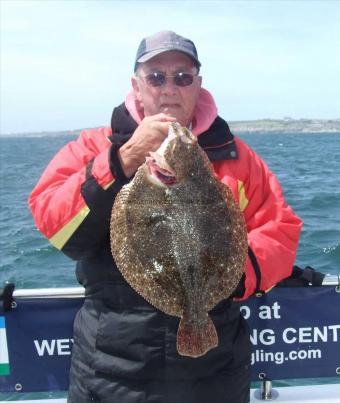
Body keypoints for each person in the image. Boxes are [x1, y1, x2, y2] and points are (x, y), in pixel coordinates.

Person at [29, 31, 302, 403]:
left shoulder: (237, 157)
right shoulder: (95, 147)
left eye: (182, 77)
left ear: (198, 85)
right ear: (136, 86)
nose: (169, 88)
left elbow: (281, 231)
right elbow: (57, 228)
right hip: (111, 371)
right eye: (156, 77)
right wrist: (121, 159)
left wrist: (229, 278)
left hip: (214, 370)